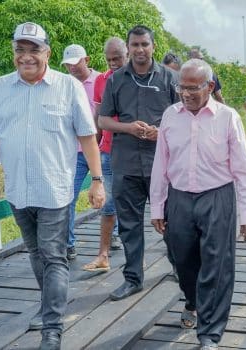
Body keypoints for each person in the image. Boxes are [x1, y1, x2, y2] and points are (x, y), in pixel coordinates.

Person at [0, 22, 105, 350]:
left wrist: (97, 181)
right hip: (18, 191)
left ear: (48, 53)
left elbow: (88, 137)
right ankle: (48, 309)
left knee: (54, 256)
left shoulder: (68, 87)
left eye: (34, 50)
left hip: (55, 190)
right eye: (20, 50)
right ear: (14, 53)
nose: (26, 57)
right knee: (35, 253)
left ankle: (52, 330)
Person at [150, 58, 246, 350]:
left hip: (217, 197)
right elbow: (161, 164)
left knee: (218, 264)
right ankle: (193, 300)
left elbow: (243, 169)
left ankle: (209, 334)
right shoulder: (170, 116)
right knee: (182, 260)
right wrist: (158, 206)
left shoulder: (227, 117)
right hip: (179, 198)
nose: (185, 94)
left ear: (210, 86)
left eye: (193, 88)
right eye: (181, 88)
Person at [98, 25, 179, 301]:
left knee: (171, 221)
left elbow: (183, 118)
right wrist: (129, 127)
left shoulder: (170, 79)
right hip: (127, 164)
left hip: (163, 165)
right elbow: (104, 120)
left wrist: (161, 132)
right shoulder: (115, 79)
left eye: (145, 44)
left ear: (153, 46)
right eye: (135, 45)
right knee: (130, 225)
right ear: (128, 48)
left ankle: (179, 267)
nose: (140, 50)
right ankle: (133, 278)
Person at [81, 37, 129, 272]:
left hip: (135, 153)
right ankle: (103, 255)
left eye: (117, 58)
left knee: (153, 205)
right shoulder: (101, 80)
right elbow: (98, 118)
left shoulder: (136, 78)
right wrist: (95, 151)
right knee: (108, 205)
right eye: (109, 59)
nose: (113, 63)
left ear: (127, 55)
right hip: (108, 151)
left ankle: (173, 257)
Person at [61, 43, 100, 261]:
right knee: (69, 196)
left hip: (98, 147)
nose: (72, 68)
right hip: (74, 150)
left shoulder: (101, 80)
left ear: (87, 59)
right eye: (68, 65)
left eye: (76, 63)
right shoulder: (64, 85)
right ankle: (68, 243)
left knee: (108, 194)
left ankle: (112, 234)